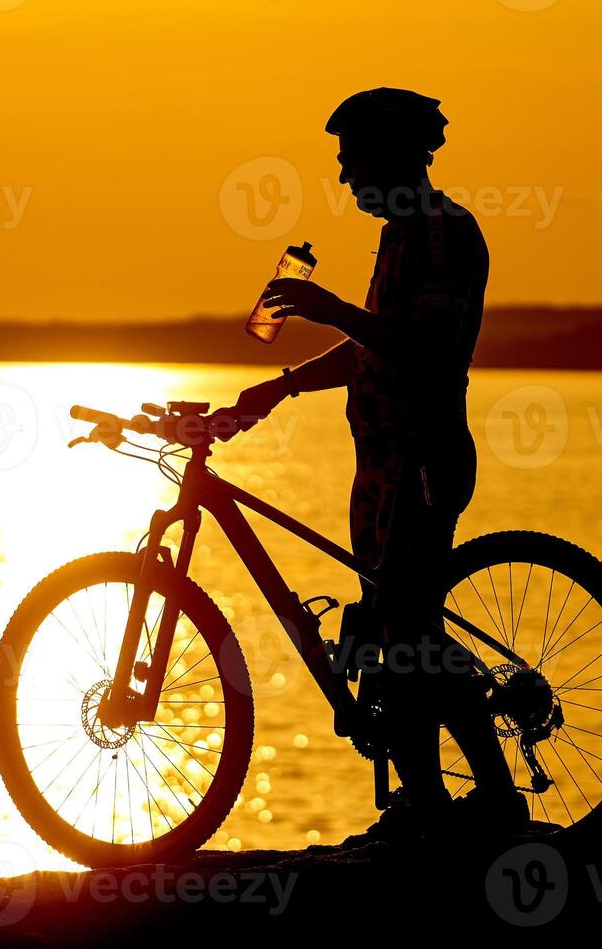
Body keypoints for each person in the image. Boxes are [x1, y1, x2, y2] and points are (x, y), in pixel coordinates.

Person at [213, 88, 528, 840]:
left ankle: (488, 797)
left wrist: (328, 308)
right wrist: (282, 386)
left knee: (410, 634)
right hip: (381, 470)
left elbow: (423, 346)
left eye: (353, 159)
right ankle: (428, 804)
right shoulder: (398, 237)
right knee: (397, 638)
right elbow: (371, 348)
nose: (346, 175)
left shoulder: (445, 234)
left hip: (425, 460)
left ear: (395, 156)